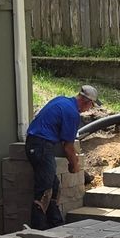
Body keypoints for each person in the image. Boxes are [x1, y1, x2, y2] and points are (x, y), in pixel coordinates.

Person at [25, 84, 99, 228]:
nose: (89, 109)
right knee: (44, 189)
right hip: (40, 146)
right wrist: (74, 165)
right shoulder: (72, 113)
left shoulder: (61, 100)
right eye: (91, 105)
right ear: (87, 101)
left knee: (53, 185)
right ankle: (38, 229)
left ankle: (56, 224)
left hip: (36, 143)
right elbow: (68, 146)